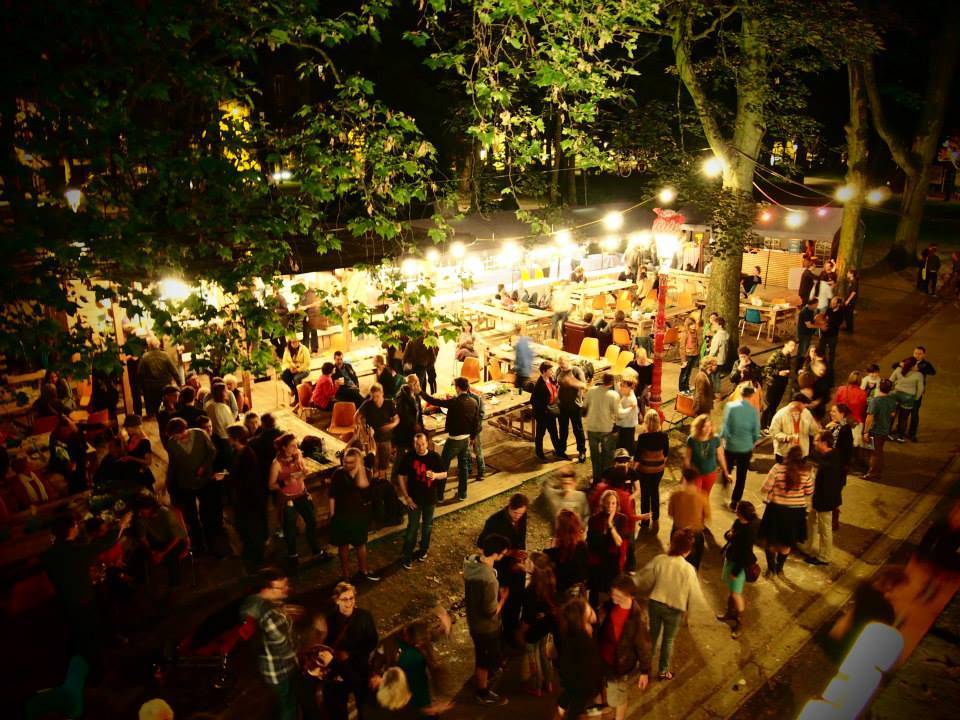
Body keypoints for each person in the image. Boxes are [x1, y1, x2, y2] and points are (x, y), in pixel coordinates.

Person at [634, 529, 705, 680]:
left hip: (656, 603)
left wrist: (633, 583)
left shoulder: (660, 560)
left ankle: (646, 665)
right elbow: (694, 594)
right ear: (688, 550)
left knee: (652, 635)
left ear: (672, 543)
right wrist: (690, 610)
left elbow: (645, 578)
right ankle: (663, 671)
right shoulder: (688, 569)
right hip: (674, 608)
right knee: (668, 640)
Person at [314, 581, 380, 720]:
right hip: (338, 670)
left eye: (351, 598)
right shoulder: (329, 620)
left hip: (360, 669)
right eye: (344, 599)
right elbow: (323, 645)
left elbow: (372, 641)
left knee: (364, 706)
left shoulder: (364, 616)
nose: (349, 603)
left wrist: (350, 654)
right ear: (336, 600)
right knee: (338, 710)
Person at [241, 568, 301, 720]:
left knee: (280, 703)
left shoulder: (254, 601)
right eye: (281, 587)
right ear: (267, 589)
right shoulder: (271, 617)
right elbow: (284, 649)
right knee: (288, 706)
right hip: (280, 670)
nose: (286, 589)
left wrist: (284, 612)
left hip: (266, 665)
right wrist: (303, 653)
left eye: (286, 584)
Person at [464, 533, 511, 705]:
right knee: (483, 661)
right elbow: (490, 611)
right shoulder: (489, 580)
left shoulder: (470, 563)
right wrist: (503, 599)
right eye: (503, 553)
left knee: (486, 655)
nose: (503, 556)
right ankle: (482, 693)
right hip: (485, 627)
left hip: (473, 620)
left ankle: (488, 674)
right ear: (496, 554)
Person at [597, 575, 651, 720]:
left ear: (629, 595)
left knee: (618, 697)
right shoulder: (611, 605)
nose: (613, 597)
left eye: (618, 595)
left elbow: (644, 646)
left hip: (620, 663)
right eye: (612, 593)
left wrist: (644, 671)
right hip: (604, 657)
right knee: (607, 689)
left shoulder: (637, 617)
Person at [477, 493, 529, 641]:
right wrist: (508, 553)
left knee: (517, 599)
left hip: (517, 568)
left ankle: (512, 630)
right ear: (509, 507)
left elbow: (521, 539)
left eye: (521, 513)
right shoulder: (495, 521)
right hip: (502, 569)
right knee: (503, 602)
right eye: (515, 513)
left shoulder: (522, 517)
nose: (518, 516)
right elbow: (481, 545)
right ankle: (502, 633)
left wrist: (521, 555)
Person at [269, 433, 324, 570]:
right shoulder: (276, 464)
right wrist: (285, 482)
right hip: (288, 498)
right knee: (290, 528)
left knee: (311, 521)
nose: (296, 448)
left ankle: (317, 551)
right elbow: (271, 485)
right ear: (284, 447)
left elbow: (303, 474)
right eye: (292, 446)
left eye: (296, 445)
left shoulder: (297, 455)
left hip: (302, 494)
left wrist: (304, 472)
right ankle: (293, 556)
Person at [165, 417, 220, 553]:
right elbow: (173, 464)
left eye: (175, 435)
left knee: (206, 513)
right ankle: (199, 544)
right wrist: (169, 481)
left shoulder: (200, 434)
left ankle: (211, 542)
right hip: (186, 483)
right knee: (191, 515)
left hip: (204, 481)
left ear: (183, 430)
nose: (174, 438)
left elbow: (212, 451)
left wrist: (204, 466)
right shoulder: (171, 443)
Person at [422, 377, 481, 501]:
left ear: (458, 388)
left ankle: (439, 496)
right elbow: (476, 422)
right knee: (463, 467)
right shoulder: (474, 401)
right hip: (466, 439)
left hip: (454, 440)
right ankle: (462, 494)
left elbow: (435, 401)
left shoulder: (455, 402)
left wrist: (420, 392)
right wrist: (473, 437)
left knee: (443, 467)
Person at [759, 446, 814, 577]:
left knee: (771, 541)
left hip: (776, 510)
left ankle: (771, 569)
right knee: (786, 543)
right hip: (796, 513)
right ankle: (780, 568)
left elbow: (765, 487)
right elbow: (809, 491)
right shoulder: (806, 472)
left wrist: (774, 491)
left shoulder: (777, 468)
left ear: (787, 456)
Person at [396, 433, 447, 569]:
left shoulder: (434, 457)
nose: (420, 447)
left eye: (423, 444)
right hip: (414, 500)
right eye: (417, 444)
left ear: (427, 443)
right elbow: (400, 476)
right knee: (412, 528)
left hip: (430, 499)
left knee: (427, 526)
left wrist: (435, 475)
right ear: (414, 444)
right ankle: (407, 555)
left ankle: (423, 550)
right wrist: (407, 497)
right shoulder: (409, 457)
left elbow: (444, 473)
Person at [329, 447, 380, 582]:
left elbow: (366, 491)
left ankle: (363, 570)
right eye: (345, 462)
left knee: (360, 544)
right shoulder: (338, 474)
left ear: (357, 462)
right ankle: (345, 574)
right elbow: (332, 495)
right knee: (343, 545)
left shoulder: (366, 473)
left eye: (350, 462)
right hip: (341, 515)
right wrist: (332, 514)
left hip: (358, 515)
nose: (346, 465)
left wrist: (360, 470)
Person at [226, 425, 270, 569]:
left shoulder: (248, 455)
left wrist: (229, 479)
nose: (227, 439)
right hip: (243, 500)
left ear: (236, 438)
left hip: (250, 501)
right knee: (245, 528)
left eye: (229, 436)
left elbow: (248, 480)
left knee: (252, 530)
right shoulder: (237, 452)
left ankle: (256, 560)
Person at [800, 431, 844, 567]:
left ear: (824, 443)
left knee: (825, 529)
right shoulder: (834, 456)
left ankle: (824, 557)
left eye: (816, 440)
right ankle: (807, 546)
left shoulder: (828, 462)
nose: (814, 443)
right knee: (811, 521)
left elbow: (827, 485)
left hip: (825, 500)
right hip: (822, 498)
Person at [716, 501, 759, 639]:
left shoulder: (750, 530)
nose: (735, 510)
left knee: (736, 593)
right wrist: (728, 535)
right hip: (731, 558)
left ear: (741, 513)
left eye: (737, 509)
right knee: (731, 589)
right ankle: (730, 613)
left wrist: (735, 572)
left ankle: (740, 623)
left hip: (739, 565)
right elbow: (729, 535)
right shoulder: (738, 522)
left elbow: (745, 554)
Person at [554, 597, 602, 718]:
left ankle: (562, 706)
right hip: (580, 686)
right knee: (575, 710)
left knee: (574, 704)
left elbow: (594, 619)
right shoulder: (580, 639)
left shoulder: (575, 631)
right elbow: (587, 666)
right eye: (588, 610)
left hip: (577, 684)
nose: (591, 610)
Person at [520, 553, 559, 697]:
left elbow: (528, 616)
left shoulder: (531, 590)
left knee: (533, 656)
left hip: (533, 628)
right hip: (546, 625)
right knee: (544, 655)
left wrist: (521, 631)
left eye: (528, 561)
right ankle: (548, 683)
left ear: (534, 568)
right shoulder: (550, 582)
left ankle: (536, 686)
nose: (525, 562)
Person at [132, 495, 188, 594]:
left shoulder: (165, 513)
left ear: (150, 508)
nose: (139, 514)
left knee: (171, 556)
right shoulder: (139, 517)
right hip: (157, 541)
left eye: (141, 510)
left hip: (175, 541)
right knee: (137, 554)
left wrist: (162, 554)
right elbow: (143, 538)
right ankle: (140, 583)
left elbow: (177, 537)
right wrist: (151, 552)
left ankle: (175, 586)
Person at [720, 387, 760, 511]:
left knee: (727, 468)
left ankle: (725, 486)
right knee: (742, 476)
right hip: (746, 447)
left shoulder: (730, 407)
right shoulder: (753, 411)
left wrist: (723, 439)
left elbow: (725, 427)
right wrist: (753, 442)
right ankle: (735, 501)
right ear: (751, 396)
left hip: (731, 445)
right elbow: (756, 432)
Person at [587, 489, 628, 604]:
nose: (610, 506)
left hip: (612, 561)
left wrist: (610, 525)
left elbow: (619, 542)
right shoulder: (594, 519)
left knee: (611, 593)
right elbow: (590, 541)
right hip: (597, 560)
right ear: (603, 503)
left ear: (617, 504)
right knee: (594, 593)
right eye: (607, 502)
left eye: (613, 503)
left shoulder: (622, 519)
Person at [684, 414, 730, 517]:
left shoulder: (716, 439)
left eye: (710, 426)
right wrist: (686, 475)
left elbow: (721, 456)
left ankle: (701, 519)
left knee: (705, 497)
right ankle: (694, 517)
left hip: (710, 474)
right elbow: (687, 458)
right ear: (699, 427)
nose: (708, 429)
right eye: (705, 426)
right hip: (695, 474)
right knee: (695, 497)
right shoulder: (692, 439)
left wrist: (726, 472)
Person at [355, 383, 399, 482]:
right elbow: (356, 417)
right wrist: (363, 431)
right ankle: (374, 484)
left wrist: (390, 426)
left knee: (384, 466)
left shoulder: (389, 404)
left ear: (382, 393)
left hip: (385, 439)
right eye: (373, 397)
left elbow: (397, 420)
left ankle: (382, 484)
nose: (375, 399)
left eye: (377, 396)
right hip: (372, 440)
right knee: (373, 465)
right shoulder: (367, 404)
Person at [667, 468, 708, 571]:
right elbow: (707, 515)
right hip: (695, 534)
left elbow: (671, 513)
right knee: (693, 566)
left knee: (676, 563)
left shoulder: (675, 496)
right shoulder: (702, 497)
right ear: (696, 480)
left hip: (678, 532)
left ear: (684, 478)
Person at [584, 372, 619, 484]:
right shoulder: (613, 395)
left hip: (592, 427)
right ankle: (606, 479)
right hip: (606, 429)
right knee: (607, 455)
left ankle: (596, 479)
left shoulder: (591, 391)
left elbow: (584, 409)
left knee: (594, 456)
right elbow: (617, 413)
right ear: (612, 382)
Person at [545, 509, 590, 597]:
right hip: (575, 591)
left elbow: (549, 566)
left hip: (564, 591)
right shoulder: (582, 544)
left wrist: (549, 549)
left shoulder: (559, 546)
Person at [138, 336, 182, 416]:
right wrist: (179, 382)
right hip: (165, 385)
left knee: (153, 406)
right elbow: (173, 370)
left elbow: (140, 373)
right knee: (165, 404)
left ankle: (152, 415)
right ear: (158, 344)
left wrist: (141, 387)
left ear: (149, 345)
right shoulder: (165, 355)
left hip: (150, 387)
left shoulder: (145, 357)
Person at [531, 361, 566, 461]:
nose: (552, 371)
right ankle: (539, 454)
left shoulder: (550, 379)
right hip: (543, 414)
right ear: (544, 371)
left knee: (554, 433)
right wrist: (545, 409)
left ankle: (559, 452)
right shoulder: (539, 385)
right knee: (540, 434)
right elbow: (533, 400)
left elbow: (554, 390)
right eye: (550, 370)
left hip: (550, 412)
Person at [555, 355, 587, 464]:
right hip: (562, 405)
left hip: (575, 406)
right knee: (563, 429)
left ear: (568, 361)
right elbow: (556, 383)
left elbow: (584, 385)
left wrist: (573, 382)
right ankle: (561, 450)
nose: (561, 366)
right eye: (559, 364)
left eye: (562, 364)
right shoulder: (558, 370)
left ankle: (582, 451)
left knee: (577, 429)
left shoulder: (576, 371)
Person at [863, 379, 897, 480]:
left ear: (879, 387)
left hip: (875, 431)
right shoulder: (892, 401)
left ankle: (872, 473)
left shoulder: (875, 401)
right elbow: (892, 414)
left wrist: (866, 431)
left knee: (873, 453)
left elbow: (869, 417)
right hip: (885, 430)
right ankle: (878, 469)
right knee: (879, 451)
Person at [769, 394, 817, 462]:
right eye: (804, 405)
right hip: (785, 454)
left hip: (802, 453)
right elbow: (773, 432)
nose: (805, 407)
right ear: (797, 403)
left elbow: (813, 430)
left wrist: (815, 427)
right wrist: (786, 437)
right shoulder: (780, 414)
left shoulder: (806, 413)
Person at [902, 346, 936, 441]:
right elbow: (894, 365)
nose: (917, 355)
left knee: (914, 412)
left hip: (917, 391)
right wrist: (901, 364)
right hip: (906, 389)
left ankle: (912, 433)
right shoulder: (908, 360)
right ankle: (900, 429)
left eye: (919, 354)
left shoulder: (925, 364)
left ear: (924, 355)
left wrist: (919, 369)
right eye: (915, 353)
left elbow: (933, 372)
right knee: (903, 412)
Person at [761, 338, 796, 429]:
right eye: (791, 345)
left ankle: (770, 424)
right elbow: (767, 368)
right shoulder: (776, 355)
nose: (793, 348)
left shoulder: (788, 356)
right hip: (773, 383)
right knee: (768, 405)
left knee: (775, 405)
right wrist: (778, 373)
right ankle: (762, 426)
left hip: (782, 384)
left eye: (794, 346)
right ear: (785, 345)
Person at [888, 356, 924, 442]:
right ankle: (900, 436)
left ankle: (887, 433)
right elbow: (920, 389)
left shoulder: (898, 370)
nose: (917, 366)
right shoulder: (919, 375)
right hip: (908, 398)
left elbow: (890, 381)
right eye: (916, 365)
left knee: (891, 415)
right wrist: (916, 398)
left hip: (895, 395)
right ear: (913, 366)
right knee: (903, 418)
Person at [393, 374, 424, 463]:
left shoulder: (416, 395)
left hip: (413, 431)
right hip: (404, 432)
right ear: (410, 384)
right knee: (400, 457)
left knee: (413, 455)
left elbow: (419, 412)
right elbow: (403, 415)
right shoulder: (401, 397)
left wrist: (420, 425)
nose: (418, 385)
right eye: (416, 383)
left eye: (418, 382)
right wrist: (414, 424)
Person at [119, 414, 155, 489]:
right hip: (132, 471)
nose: (126, 429)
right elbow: (125, 453)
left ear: (135, 427)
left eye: (127, 427)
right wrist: (122, 441)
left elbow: (148, 462)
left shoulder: (144, 442)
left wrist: (131, 458)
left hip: (141, 474)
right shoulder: (132, 437)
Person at [280, 337, 311, 405]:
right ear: (290, 343)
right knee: (283, 375)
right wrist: (290, 367)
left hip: (304, 370)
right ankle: (293, 389)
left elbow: (307, 363)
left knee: (296, 378)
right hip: (293, 368)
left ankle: (297, 399)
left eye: (296, 342)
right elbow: (285, 362)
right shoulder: (287, 350)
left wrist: (298, 369)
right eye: (293, 342)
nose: (295, 344)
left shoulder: (304, 349)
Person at [818, 296, 844, 374]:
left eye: (833, 303)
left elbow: (837, 324)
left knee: (831, 352)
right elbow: (824, 318)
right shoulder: (829, 309)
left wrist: (827, 325)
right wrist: (822, 323)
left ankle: (830, 369)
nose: (831, 304)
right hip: (824, 334)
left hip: (833, 336)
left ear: (838, 304)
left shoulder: (840, 313)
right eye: (831, 303)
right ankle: (821, 365)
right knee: (821, 351)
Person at [614, 378, 639, 454]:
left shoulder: (630, 399)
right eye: (621, 385)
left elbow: (621, 415)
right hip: (624, 427)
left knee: (626, 450)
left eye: (623, 386)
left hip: (627, 428)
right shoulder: (627, 395)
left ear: (630, 388)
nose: (621, 387)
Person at [796, 297, 821, 370]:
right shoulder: (805, 312)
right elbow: (809, 325)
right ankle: (798, 368)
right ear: (812, 304)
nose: (817, 306)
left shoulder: (810, 310)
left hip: (807, 334)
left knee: (804, 349)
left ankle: (801, 366)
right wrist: (820, 326)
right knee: (802, 351)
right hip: (804, 334)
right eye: (816, 304)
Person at [678, 317, 700, 392]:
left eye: (694, 324)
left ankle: (686, 387)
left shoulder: (695, 332)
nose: (693, 326)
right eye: (691, 324)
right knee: (684, 373)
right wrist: (683, 360)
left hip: (694, 355)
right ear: (688, 325)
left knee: (689, 373)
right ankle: (682, 389)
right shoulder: (685, 333)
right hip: (687, 356)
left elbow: (697, 343)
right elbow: (682, 347)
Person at [706, 317, 729, 388]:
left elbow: (714, 351)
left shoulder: (717, 337)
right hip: (722, 359)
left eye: (714, 324)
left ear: (720, 325)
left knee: (713, 377)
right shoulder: (726, 334)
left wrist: (707, 358)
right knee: (717, 376)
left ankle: (714, 391)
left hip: (716, 360)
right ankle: (717, 391)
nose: (713, 326)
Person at [513, 324, 534, 390]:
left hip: (522, 372)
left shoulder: (519, 343)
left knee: (519, 389)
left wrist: (515, 368)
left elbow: (521, 360)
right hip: (527, 371)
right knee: (524, 388)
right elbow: (531, 354)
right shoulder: (527, 340)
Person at [842, 269, 859, 333]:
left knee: (849, 315)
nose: (847, 274)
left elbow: (853, 292)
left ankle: (850, 329)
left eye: (848, 273)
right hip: (848, 300)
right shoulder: (850, 281)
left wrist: (848, 300)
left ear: (852, 274)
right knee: (847, 314)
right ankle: (848, 327)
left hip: (851, 301)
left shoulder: (854, 282)